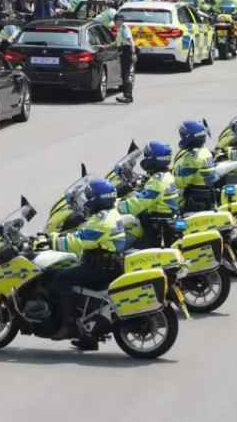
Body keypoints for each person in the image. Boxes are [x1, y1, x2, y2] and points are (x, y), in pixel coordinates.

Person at [44, 178, 126, 346]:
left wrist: (50, 241)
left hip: (99, 269)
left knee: (60, 279)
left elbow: (78, 242)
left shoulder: (100, 221)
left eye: (89, 196)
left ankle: (68, 325)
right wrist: (58, 236)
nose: (86, 200)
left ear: (97, 198)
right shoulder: (112, 214)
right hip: (107, 265)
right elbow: (82, 234)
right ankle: (88, 337)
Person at [116, 141, 180, 245]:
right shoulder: (165, 176)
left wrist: (117, 206)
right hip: (166, 222)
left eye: (146, 156)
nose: (144, 158)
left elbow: (139, 203)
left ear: (153, 158)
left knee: (133, 249)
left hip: (160, 229)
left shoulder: (157, 181)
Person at [173, 120, 216, 211]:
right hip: (206, 198)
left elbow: (180, 182)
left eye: (183, 136)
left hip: (196, 201)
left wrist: (163, 182)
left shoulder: (193, 157)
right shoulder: (205, 151)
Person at [113, 12, 135, 104]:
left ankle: (127, 96)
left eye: (115, 20)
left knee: (125, 75)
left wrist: (133, 53)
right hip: (124, 52)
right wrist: (105, 47)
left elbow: (131, 41)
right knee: (124, 75)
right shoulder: (120, 29)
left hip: (127, 52)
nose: (114, 22)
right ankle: (128, 96)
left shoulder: (124, 28)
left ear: (120, 21)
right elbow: (117, 43)